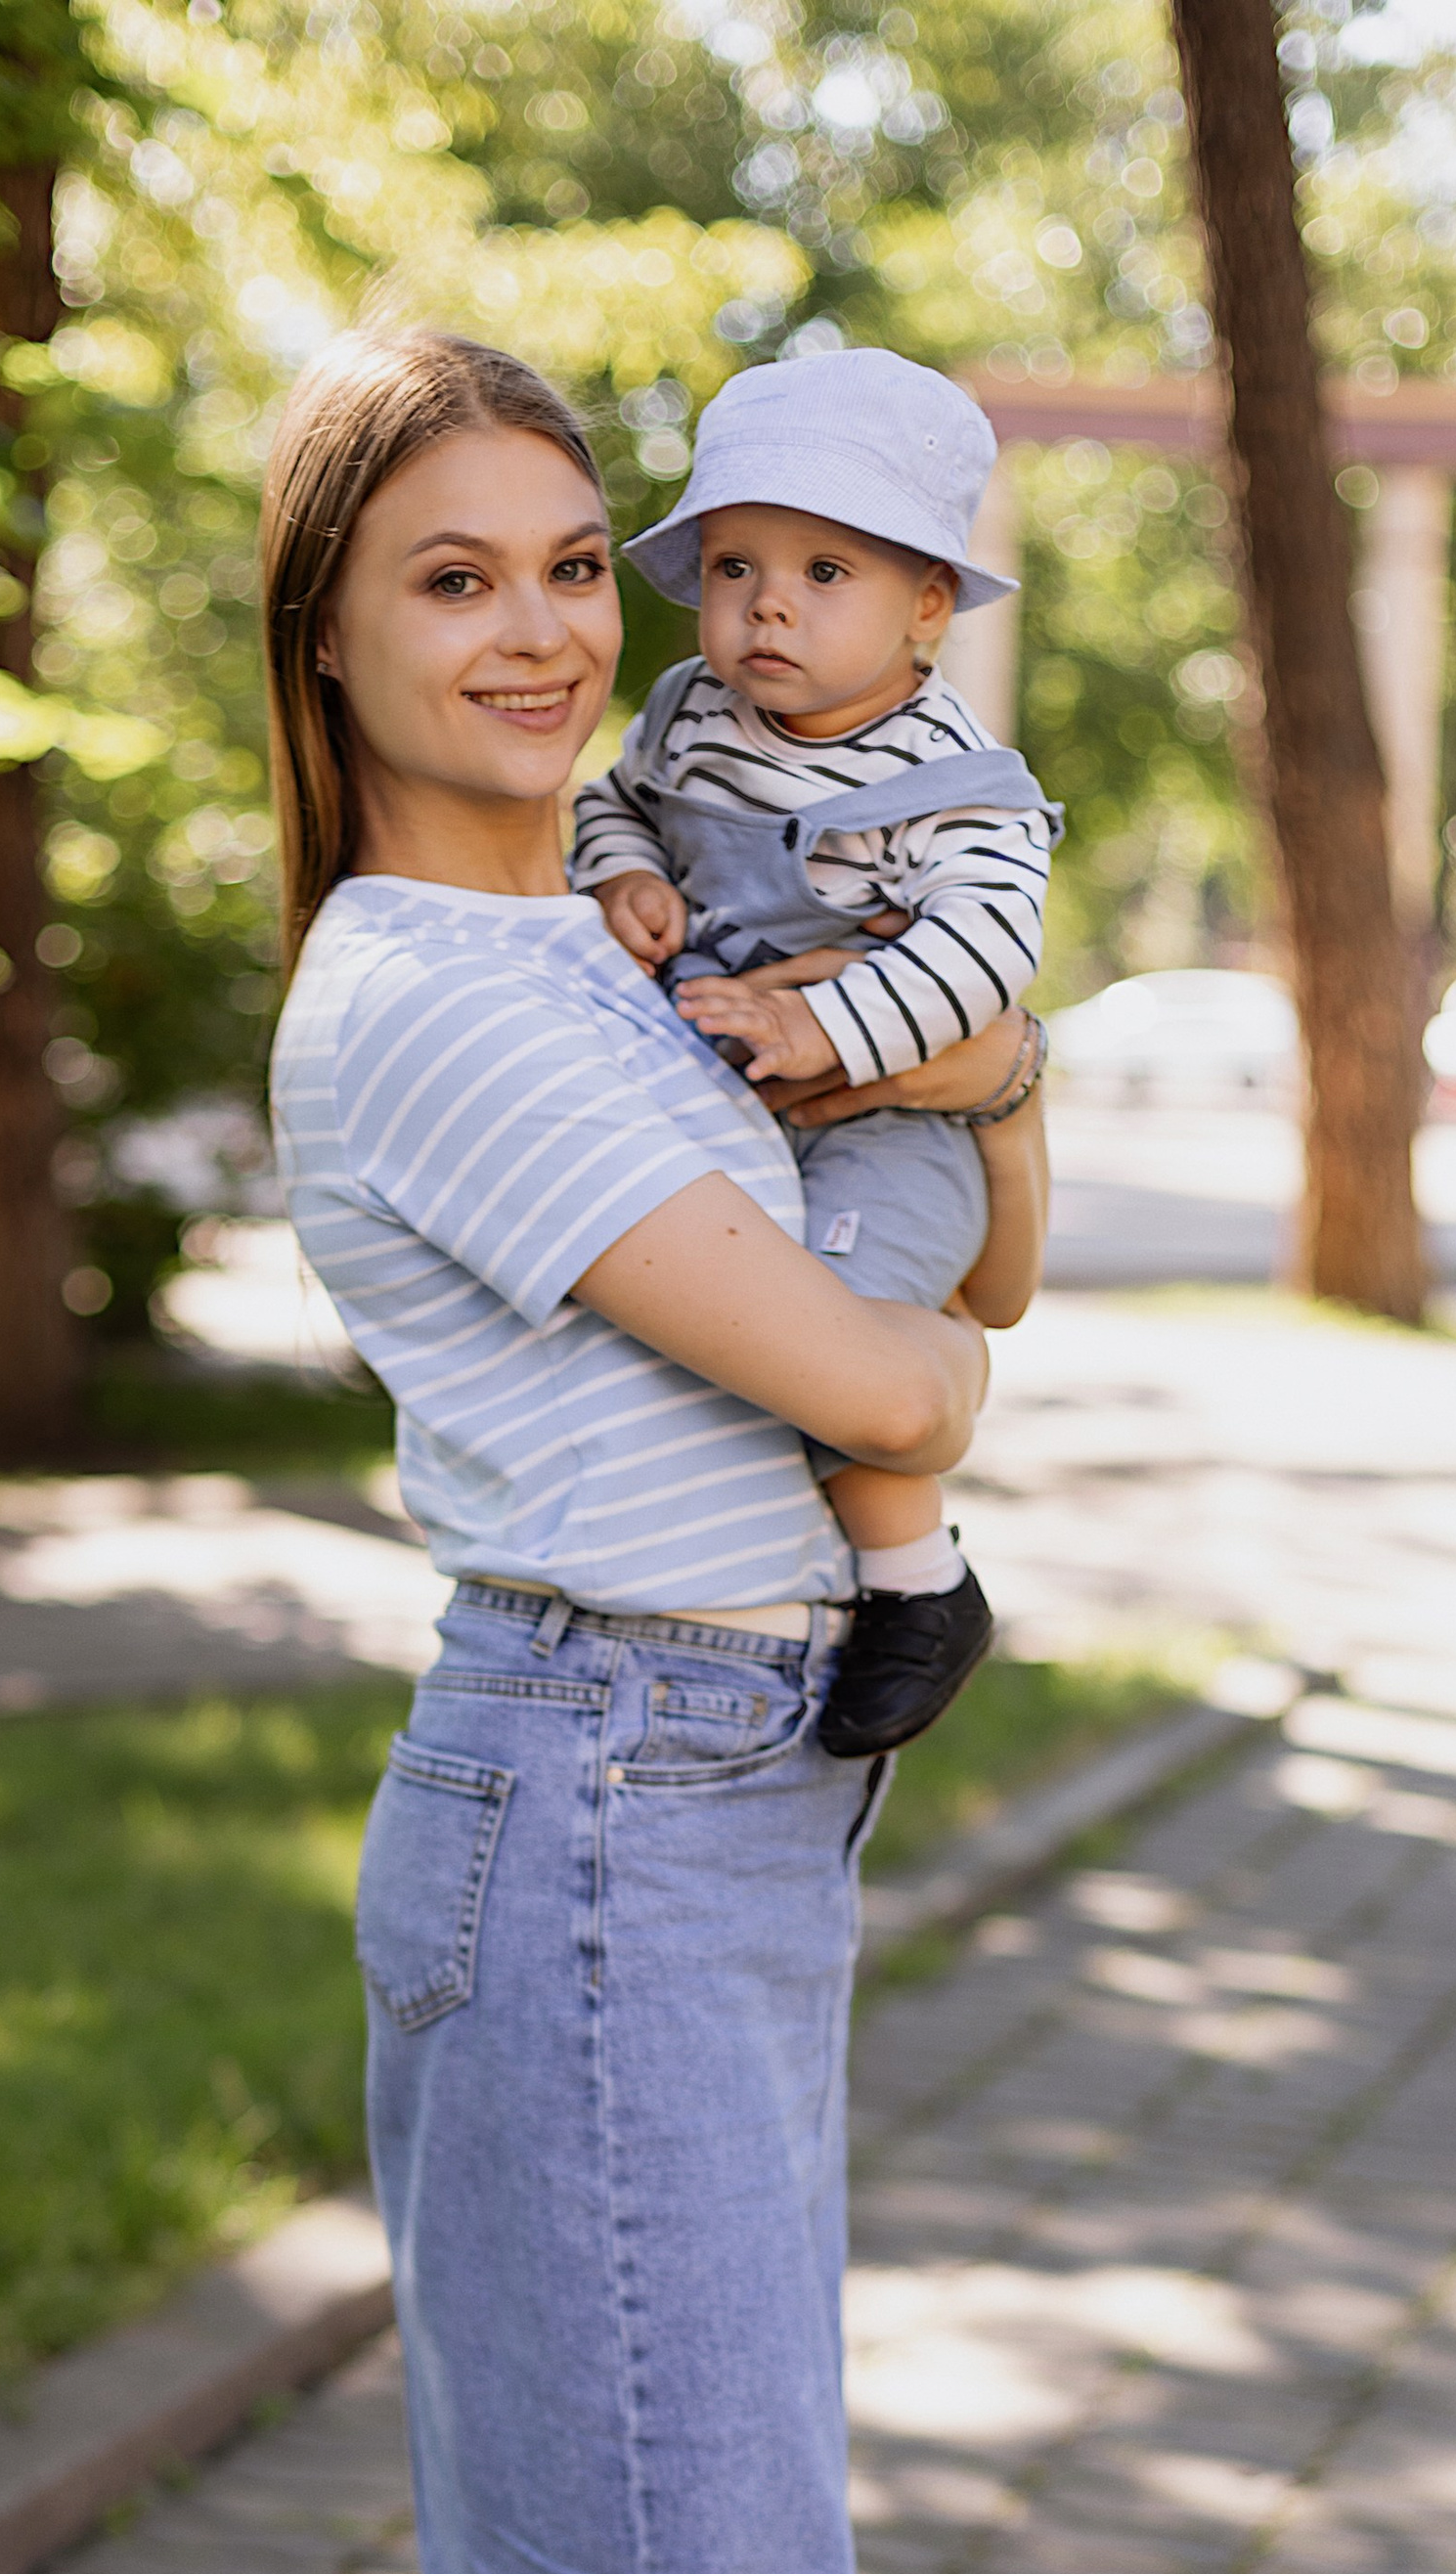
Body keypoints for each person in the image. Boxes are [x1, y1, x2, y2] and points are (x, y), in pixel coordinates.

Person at [263, 326, 1045, 2574]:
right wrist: (950, 1268)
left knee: (602, 2551)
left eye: (580, 562)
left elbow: (985, 1231)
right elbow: (896, 1353)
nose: (555, 627)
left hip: (687, 1796)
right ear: (324, 630)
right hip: (606, 1787)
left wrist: (975, 1132)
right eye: (457, 574)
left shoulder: (598, 939)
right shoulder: (439, 997)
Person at [571, 346, 1060, 1759]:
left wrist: (823, 1024)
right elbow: (620, 809)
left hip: (886, 1126)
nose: (767, 603)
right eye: (733, 568)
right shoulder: (694, 723)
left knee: (826, 1330)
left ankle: (922, 1582)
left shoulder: (960, 784)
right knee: (740, 1327)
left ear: (928, 608)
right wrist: (621, 882)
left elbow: (983, 965)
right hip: (730, 1096)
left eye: (824, 573)